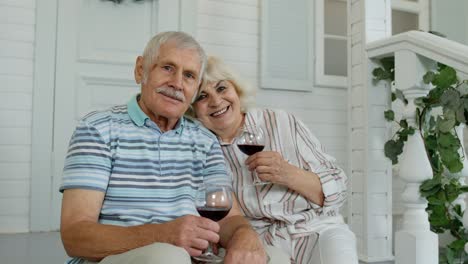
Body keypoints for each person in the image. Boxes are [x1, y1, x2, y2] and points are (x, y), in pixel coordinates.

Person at [59, 31, 267, 264]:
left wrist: (244, 236)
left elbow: (228, 218)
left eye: (189, 75)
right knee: (167, 257)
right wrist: (162, 235)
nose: (177, 83)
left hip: (193, 259)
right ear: (141, 70)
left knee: (270, 257)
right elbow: (75, 236)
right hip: (119, 259)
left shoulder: (205, 140)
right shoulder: (98, 129)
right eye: (168, 68)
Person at [191, 56, 359, 264]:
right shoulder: (199, 148)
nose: (216, 101)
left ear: (237, 90)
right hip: (260, 242)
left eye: (222, 88)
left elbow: (339, 189)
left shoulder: (280, 121)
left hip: (317, 231)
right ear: (192, 109)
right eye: (202, 96)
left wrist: (288, 174)